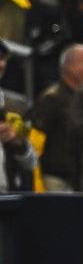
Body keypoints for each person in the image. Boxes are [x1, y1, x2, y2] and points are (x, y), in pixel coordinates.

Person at [28, 44, 83, 191]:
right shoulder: (51, 99)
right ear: (72, 67)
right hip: (55, 179)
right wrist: (36, 182)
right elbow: (35, 142)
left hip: (80, 179)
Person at [0, 40, 35, 191]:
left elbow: (31, 162)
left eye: (2, 58)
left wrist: (17, 142)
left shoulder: (17, 106)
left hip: (9, 195)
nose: (0, 64)